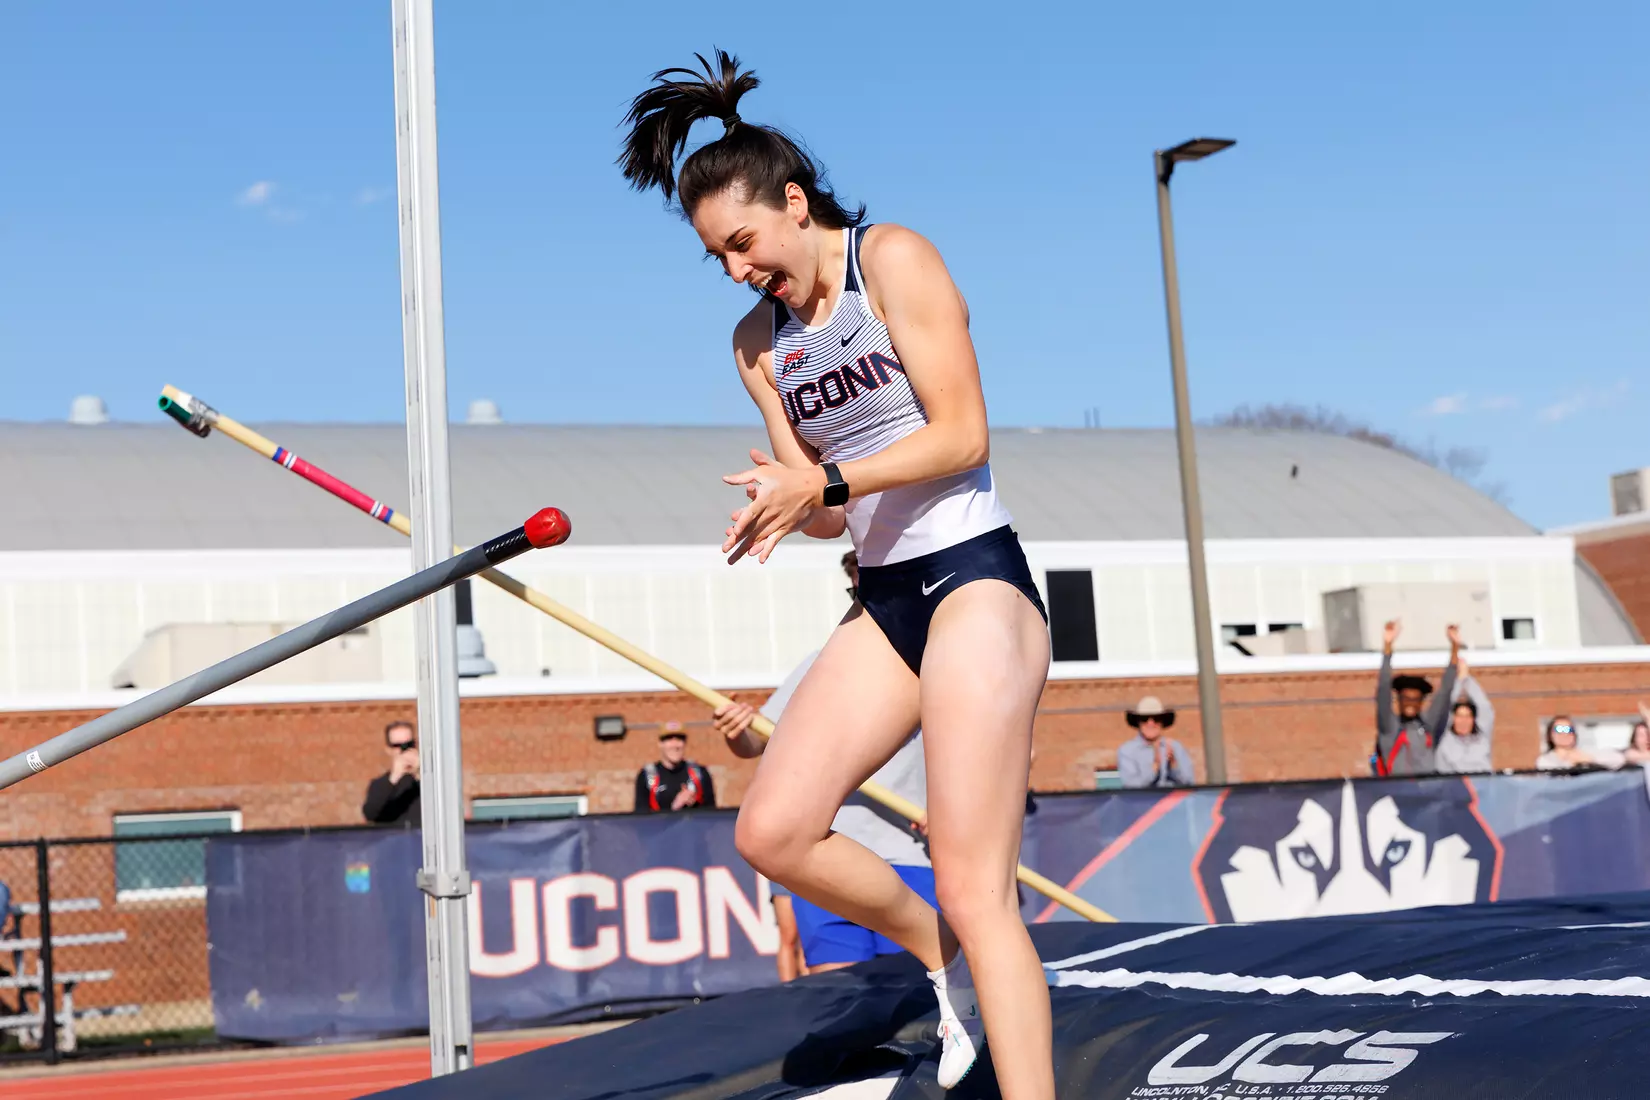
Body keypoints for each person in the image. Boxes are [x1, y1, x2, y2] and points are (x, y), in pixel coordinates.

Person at [622, 52, 1053, 1094]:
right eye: (715, 257)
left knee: (974, 874)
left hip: (973, 581)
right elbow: (833, 511)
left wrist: (824, 475)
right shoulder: (758, 345)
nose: (736, 270)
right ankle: (939, 953)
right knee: (772, 829)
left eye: (743, 241)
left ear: (794, 202)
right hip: (885, 597)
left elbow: (960, 434)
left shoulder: (891, 259)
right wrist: (791, 501)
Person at [716, 553, 937, 978]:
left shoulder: (933, 663)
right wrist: (736, 729)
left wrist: (952, 807)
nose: (866, 601)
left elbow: (982, 752)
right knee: (843, 998)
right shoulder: (822, 666)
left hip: (907, 855)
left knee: (916, 996)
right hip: (826, 855)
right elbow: (755, 742)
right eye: (857, 590)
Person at [1373, 621, 1461, 776]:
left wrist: (1455, 647)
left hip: (1427, 794)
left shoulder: (1428, 725)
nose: (1410, 703)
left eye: (1415, 699)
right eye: (1406, 698)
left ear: (1421, 702)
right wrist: (1387, 646)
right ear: (1399, 700)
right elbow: (1383, 692)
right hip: (1397, 794)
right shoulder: (1389, 726)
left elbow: (1445, 691)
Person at [1434, 651, 1494, 774]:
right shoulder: (1443, 737)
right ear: (1453, 718)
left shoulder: (1482, 738)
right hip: (1451, 789)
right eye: (1459, 716)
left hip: (1479, 789)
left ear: (1473, 720)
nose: (1463, 721)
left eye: (1468, 717)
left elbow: (1486, 709)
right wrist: (1459, 681)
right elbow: (1445, 709)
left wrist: (1467, 679)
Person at [634, 723, 717, 812]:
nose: (675, 745)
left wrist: (695, 801)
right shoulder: (647, 776)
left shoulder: (700, 773)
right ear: (660, 744)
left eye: (679, 739)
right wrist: (674, 808)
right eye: (669, 739)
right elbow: (641, 820)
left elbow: (711, 817)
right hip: (661, 826)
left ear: (685, 743)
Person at [1116, 696, 1196, 789]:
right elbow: (1131, 786)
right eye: (1145, 719)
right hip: (1143, 803)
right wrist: (1155, 767)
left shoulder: (1176, 747)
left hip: (1173, 802)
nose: (1151, 723)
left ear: (1162, 722)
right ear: (1138, 722)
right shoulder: (1127, 750)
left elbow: (1189, 783)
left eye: (1156, 718)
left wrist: (1173, 765)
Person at [362, 720, 421, 825]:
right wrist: (394, 777)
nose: (404, 750)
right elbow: (370, 814)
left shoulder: (430, 781)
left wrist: (420, 774)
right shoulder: (380, 785)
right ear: (388, 750)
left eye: (409, 745)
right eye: (398, 746)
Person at [1536, 715, 1624, 772]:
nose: (1564, 734)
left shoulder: (1585, 752)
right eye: (1559, 730)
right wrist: (1572, 762)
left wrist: (1590, 760)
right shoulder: (1545, 760)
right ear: (1550, 735)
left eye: (1568, 729)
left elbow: (1619, 759)